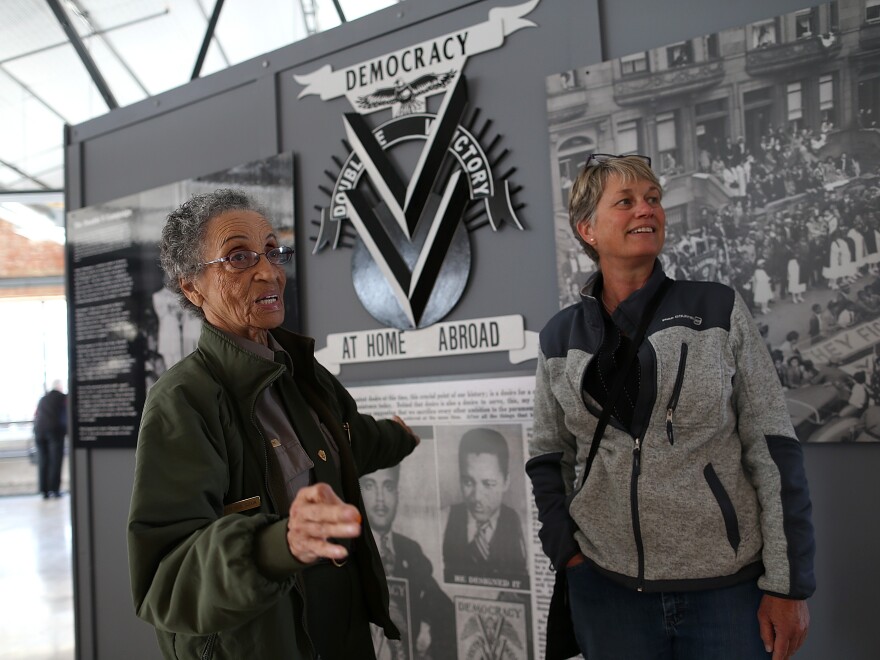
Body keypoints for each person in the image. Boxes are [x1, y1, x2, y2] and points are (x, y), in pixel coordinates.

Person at [527, 154, 814, 660]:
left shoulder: (718, 308)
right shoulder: (559, 336)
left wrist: (788, 585)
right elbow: (548, 452)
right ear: (587, 229)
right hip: (606, 588)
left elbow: (773, 446)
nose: (647, 210)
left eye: (653, 199)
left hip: (725, 590)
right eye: (627, 202)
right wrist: (565, 550)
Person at [127, 189, 420, 660]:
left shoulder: (301, 372)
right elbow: (166, 578)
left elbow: (346, 442)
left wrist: (399, 437)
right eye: (238, 257)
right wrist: (278, 544)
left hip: (340, 638)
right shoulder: (184, 401)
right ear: (191, 287)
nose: (268, 272)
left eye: (272, 251)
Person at [361, 466, 454, 660]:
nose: (380, 498)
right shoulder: (344, 549)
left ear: (397, 493)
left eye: (388, 487)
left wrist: (430, 644)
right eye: (370, 486)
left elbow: (444, 611)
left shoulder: (410, 550)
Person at [442, 427, 528, 589]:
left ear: (506, 482)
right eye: (468, 482)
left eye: (488, 484)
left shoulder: (523, 527)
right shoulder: (442, 520)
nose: (477, 497)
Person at [33, 380, 67, 499]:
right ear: (59, 387)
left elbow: (36, 414)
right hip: (54, 431)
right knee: (55, 461)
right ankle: (55, 490)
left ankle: (44, 491)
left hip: (39, 431)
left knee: (43, 461)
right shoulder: (62, 398)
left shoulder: (43, 398)